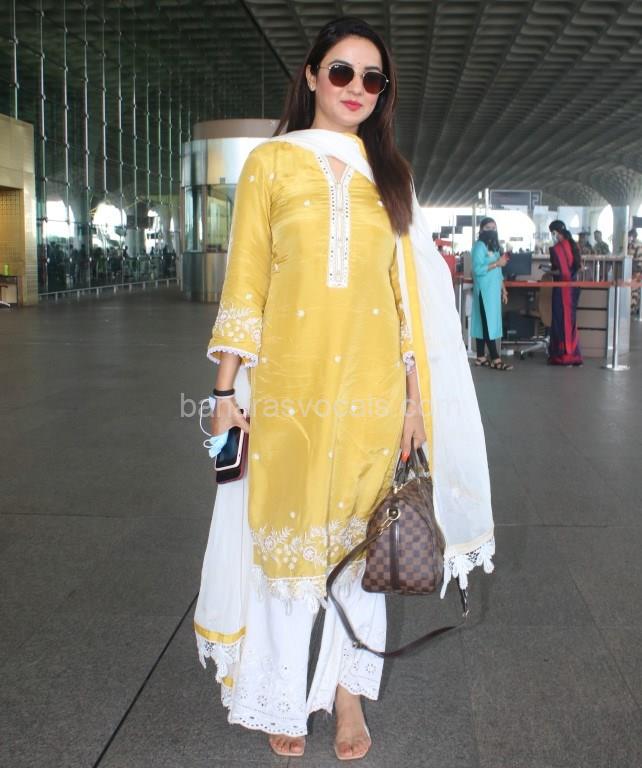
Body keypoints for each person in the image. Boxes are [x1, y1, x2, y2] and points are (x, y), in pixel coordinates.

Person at [194, 17, 494, 761]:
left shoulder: (390, 176)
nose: (356, 88)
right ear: (310, 76)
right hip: (288, 391)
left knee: (364, 547)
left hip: (373, 392)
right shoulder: (270, 164)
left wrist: (416, 403)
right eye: (341, 72)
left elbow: (407, 303)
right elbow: (246, 284)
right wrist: (224, 392)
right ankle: (277, 692)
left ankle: (348, 693)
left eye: (372, 79)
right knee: (286, 544)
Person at [471, 217, 512, 370]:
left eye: (494, 228)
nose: (491, 231)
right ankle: (495, 358)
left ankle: (481, 357)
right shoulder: (479, 247)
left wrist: (504, 290)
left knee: (484, 323)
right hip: (484, 291)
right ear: (481, 230)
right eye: (488, 228)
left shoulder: (494, 248)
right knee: (487, 324)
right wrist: (496, 263)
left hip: (493, 292)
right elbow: (477, 270)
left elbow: (498, 272)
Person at [548, 220, 583, 365]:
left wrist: (548, 271)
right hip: (573, 289)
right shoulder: (574, 245)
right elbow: (575, 268)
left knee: (559, 321)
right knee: (570, 321)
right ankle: (573, 353)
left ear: (555, 232)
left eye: (552, 232)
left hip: (561, 289)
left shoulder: (557, 249)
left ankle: (561, 355)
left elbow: (561, 272)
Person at [629, 228, 641, 317]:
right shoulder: (640, 243)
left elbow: (630, 257)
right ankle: (636, 309)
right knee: (636, 290)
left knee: (634, 291)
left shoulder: (634, 245)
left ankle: (632, 309)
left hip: (636, 270)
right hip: (639, 270)